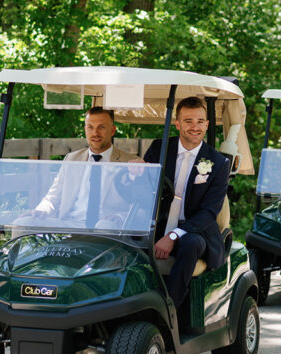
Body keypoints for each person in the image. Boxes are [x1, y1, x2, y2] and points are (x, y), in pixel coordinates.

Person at [143, 96, 230, 308]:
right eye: (188, 121)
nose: (195, 127)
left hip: (194, 230)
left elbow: (209, 212)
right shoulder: (159, 149)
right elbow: (140, 191)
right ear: (177, 123)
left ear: (207, 124)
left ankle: (169, 308)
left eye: (200, 121)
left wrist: (173, 236)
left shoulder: (218, 162)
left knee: (191, 245)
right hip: (158, 224)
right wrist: (133, 174)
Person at [31, 106, 136, 222]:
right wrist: (41, 209)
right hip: (70, 224)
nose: (95, 133)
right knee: (24, 222)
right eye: (90, 127)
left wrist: (120, 218)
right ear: (85, 129)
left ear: (112, 130)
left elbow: (142, 208)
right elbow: (53, 197)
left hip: (108, 229)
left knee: (106, 225)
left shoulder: (130, 163)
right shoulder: (71, 159)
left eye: (101, 127)